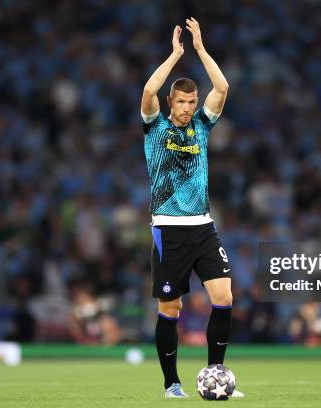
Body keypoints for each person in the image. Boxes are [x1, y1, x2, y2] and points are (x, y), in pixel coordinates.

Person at [140, 18, 243, 399]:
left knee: (224, 297)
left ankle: (217, 372)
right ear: (171, 102)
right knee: (172, 307)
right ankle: (172, 384)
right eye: (181, 102)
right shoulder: (154, 128)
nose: (186, 108)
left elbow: (223, 86)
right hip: (168, 228)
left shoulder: (200, 126)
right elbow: (149, 88)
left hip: (203, 227)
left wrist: (200, 50)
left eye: (191, 102)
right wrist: (176, 55)